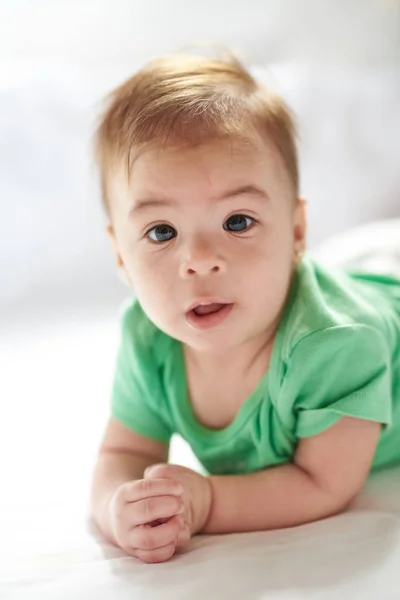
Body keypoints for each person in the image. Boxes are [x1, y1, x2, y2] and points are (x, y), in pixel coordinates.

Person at [90, 51, 400, 564]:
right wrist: (116, 507)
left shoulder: (335, 344)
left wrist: (210, 502)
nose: (200, 261)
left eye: (237, 221)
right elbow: (124, 453)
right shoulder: (147, 338)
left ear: (297, 231)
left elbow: (323, 482)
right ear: (121, 256)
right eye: (161, 232)